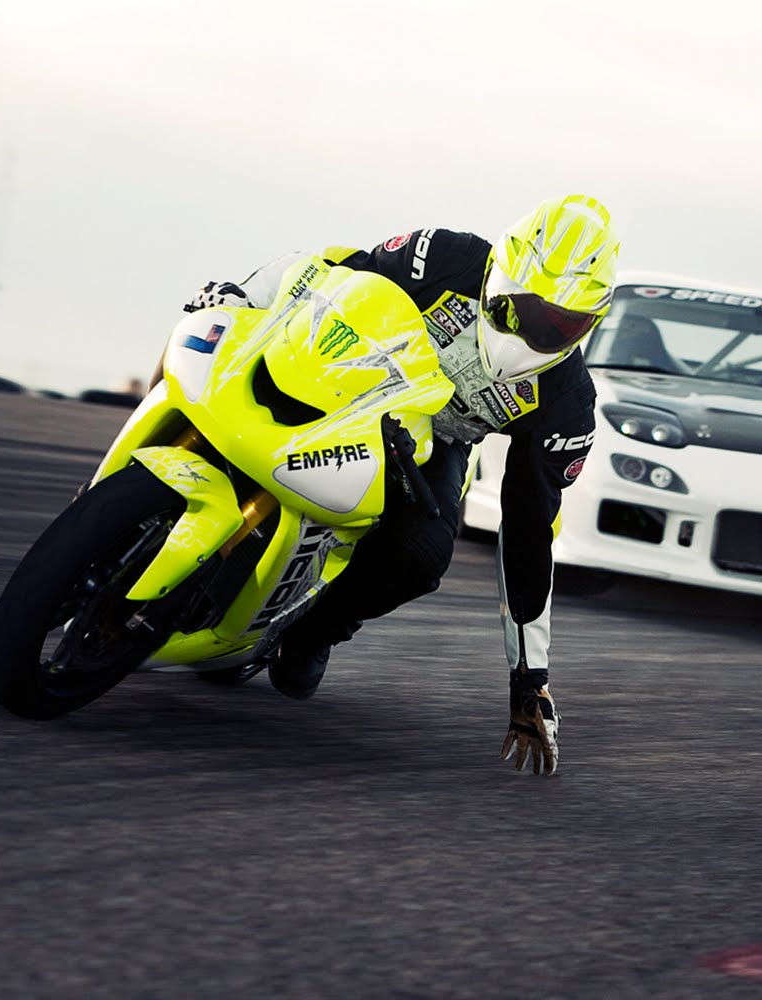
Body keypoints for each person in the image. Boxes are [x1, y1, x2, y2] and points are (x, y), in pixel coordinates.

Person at [178, 195, 619, 776]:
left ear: (592, 320)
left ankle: (315, 631)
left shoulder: (567, 404)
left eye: (560, 324)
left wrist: (528, 678)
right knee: (219, 350)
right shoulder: (448, 256)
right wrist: (244, 296)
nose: (533, 331)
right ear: (502, 269)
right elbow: (336, 273)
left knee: (424, 554)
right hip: (348, 370)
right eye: (521, 305)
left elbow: (530, 531)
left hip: (437, 439)